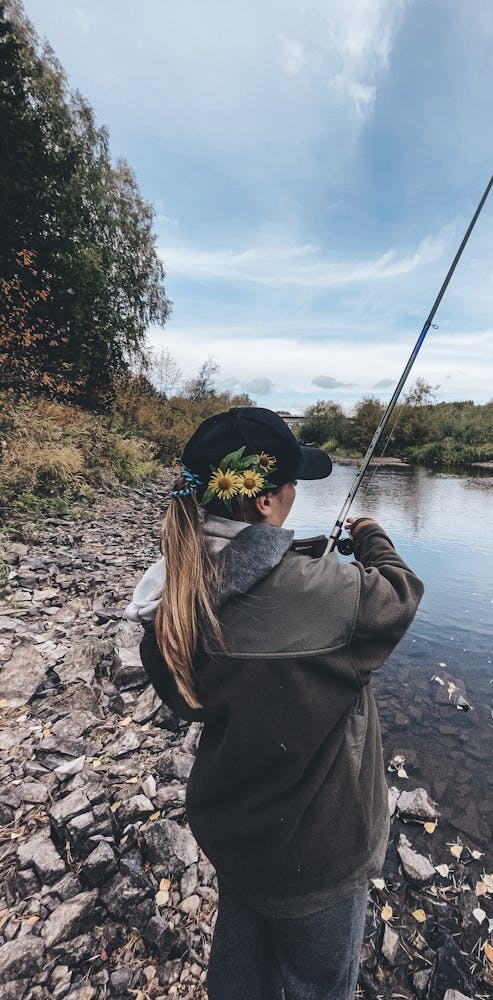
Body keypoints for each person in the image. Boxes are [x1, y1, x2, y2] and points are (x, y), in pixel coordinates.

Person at [124, 406, 423, 1000]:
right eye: (290, 482)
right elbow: (399, 594)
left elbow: (186, 697)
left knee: (239, 979)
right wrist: (368, 535)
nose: (293, 492)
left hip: (236, 839)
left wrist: (295, 555)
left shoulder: (173, 597)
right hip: (318, 859)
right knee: (316, 983)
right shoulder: (326, 594)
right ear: (262, 501)